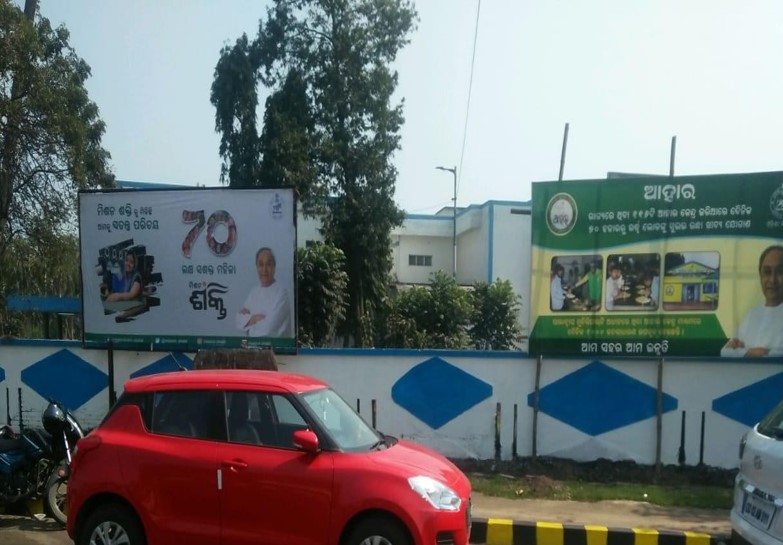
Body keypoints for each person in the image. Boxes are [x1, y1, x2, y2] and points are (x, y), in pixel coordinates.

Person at [721, 245, 783, 357]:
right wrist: (751, 352)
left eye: (779, 272)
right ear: (760, 276)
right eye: (767, 272)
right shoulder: (752, 315)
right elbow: (725, 352)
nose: (772, 280)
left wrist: (746, 353)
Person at [235, 247, 292, 337]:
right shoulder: (254, 292)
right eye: (261, 265)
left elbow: (269, 329)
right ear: (257, 267)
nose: (264, 270)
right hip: (253, 349)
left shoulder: (282, 293)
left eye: (268, 264)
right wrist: (254, 318)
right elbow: (238, 321)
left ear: (274, 267)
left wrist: (248, 324)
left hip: (275, 350)